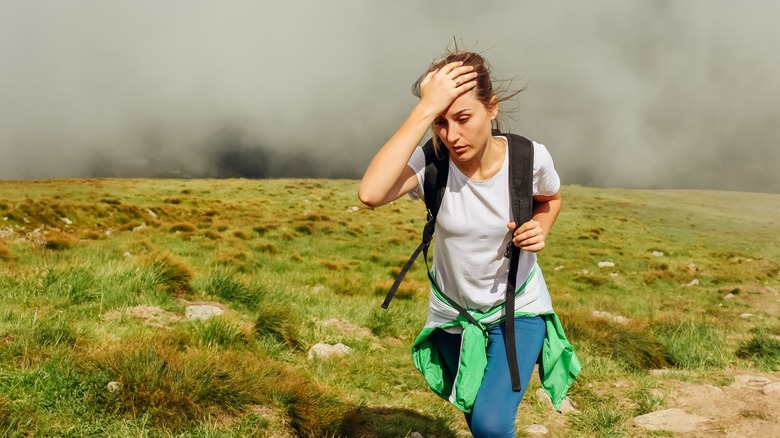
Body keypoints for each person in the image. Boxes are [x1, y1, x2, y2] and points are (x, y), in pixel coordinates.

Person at [358, 49, 578, 438]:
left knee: (491, 425)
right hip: (455, 317)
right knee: (476, 412)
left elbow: (550, 198)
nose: (452, 135)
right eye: (441, 122)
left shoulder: (528, 158)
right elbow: (371, 193)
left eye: (463, 118)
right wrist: (424, 110)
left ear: (491, 109)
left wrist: (540, 228)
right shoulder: (431, 163)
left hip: (519, 309)